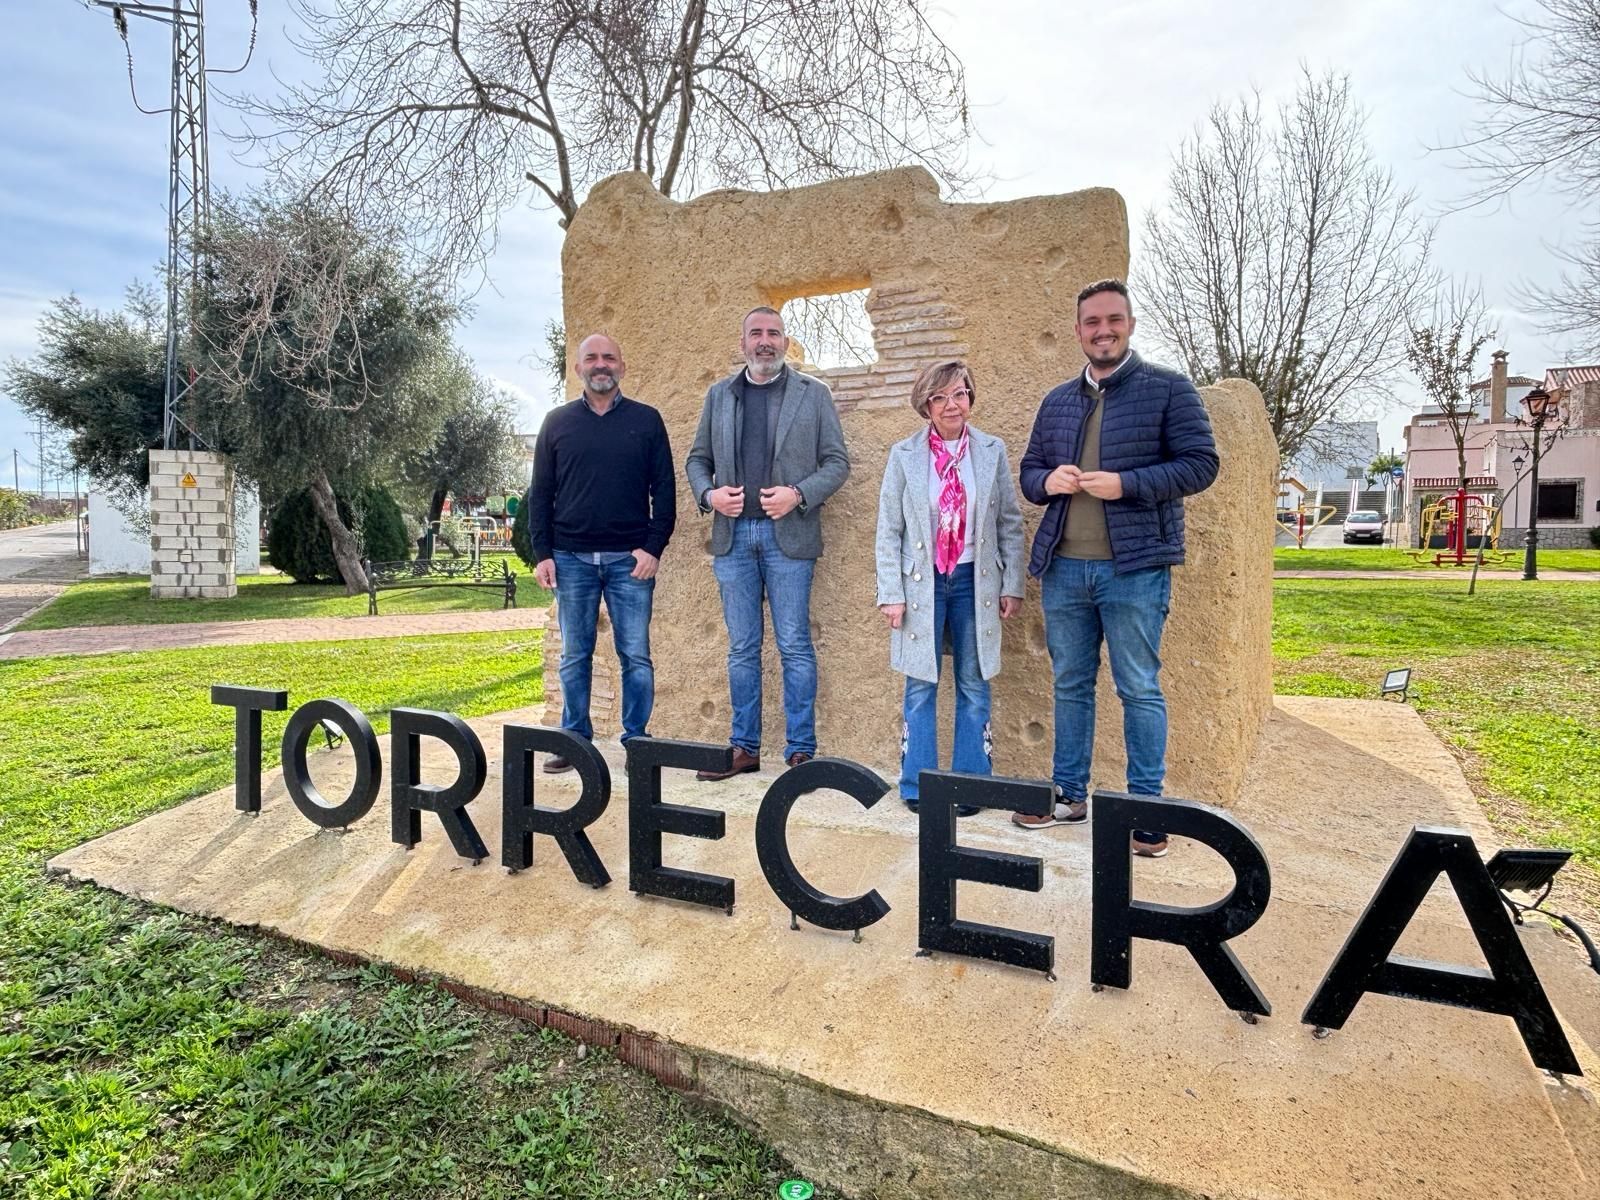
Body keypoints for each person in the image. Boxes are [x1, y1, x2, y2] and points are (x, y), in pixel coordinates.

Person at [1014, 280, 1219, 856]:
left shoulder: (1168, 389)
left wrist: (1127, 485)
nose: (1103, 330)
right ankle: (1069, 796)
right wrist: (1046, 482)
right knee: (1070, 685)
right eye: (1092, 322)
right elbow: (1030, 473)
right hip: (1064, 570)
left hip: (1135, 569)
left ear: (1129, 323)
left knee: (1138, 688)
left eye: (1113, 320)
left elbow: (1201, 466)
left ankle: (1144, 811)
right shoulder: (1057, 400)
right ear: (1079, 330)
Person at [684, 306, 850, 777]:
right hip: (733, 538)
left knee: (795, 645)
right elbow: (697, 460)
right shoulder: (720, 396)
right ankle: (744, 748)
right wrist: (710, 494)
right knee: (742, 648)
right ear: (742, 344)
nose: (764, 341)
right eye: (755, 333)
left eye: (773, 333)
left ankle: (800, 751)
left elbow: (837, 463)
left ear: (786, 342)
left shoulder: (813, 395)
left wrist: (798, 494)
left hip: (789, 538)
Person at [874, 360, 1025, 813]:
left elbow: (1009, 523)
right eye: (939, 397)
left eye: (959, 394)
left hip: (974, 579)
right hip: (922, 582)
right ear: (926, 405)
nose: (951, 405)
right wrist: (891, 592)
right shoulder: (904, 455)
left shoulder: (992, 451)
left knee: (974, 681)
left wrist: (1012, 583)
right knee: (920, 683)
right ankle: (918, 786)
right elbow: (888, 529)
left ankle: (971, 785)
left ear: (970, 398)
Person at [526, 333, 675, 771]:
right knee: (575, 654)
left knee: (636, 655)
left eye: (609, 357)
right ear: (578, 369)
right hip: (570, 559)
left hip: (630, 561)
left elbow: (663, 490)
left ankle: (637, 741)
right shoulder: (556, 422)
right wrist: (542, 553)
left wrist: (653, 548)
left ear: (622, 367)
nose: (600, 364)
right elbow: (541, 494)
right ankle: (575, 741)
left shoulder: (647, 421)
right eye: (591, 358)